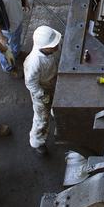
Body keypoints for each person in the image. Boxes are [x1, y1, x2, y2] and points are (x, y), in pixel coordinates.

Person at [23, 26, 62, 156]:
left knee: (55, 105)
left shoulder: (49, 51)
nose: (57, 46)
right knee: (41, 119)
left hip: (53, 82)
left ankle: (54, 112)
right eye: (54, 45)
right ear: (44, 47)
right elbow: (30, 83)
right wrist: (42, 95)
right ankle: (37, 142)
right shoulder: (34, 62)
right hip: (42, 90)